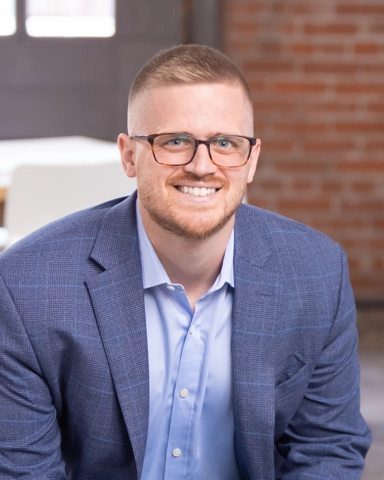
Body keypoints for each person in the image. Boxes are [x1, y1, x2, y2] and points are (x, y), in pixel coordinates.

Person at [0, 44, 371, 479]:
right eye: (174, 141)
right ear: (128, 155)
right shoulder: (25, 285)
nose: (201, 165)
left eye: (225, 143)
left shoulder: (316, 272)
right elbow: (25, 471)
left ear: (250, 160)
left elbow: (327, 448)